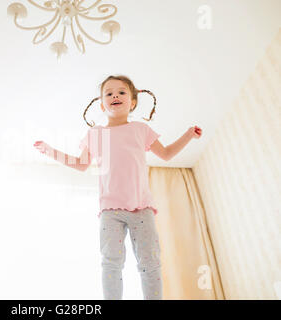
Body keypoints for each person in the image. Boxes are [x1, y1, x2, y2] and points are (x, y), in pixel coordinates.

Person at [33, 75, 202, 300]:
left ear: (132, 102)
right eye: (109, 93)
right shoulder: (95, 134)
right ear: (102, 105)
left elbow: (167, 154)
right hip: (110, 210)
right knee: (111, 263)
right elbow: (81, 164)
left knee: (150, 262)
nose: (115, 96)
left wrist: (188, 135)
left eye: (122, 92)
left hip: (141, 207)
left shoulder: (141, 129)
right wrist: (50, 150)